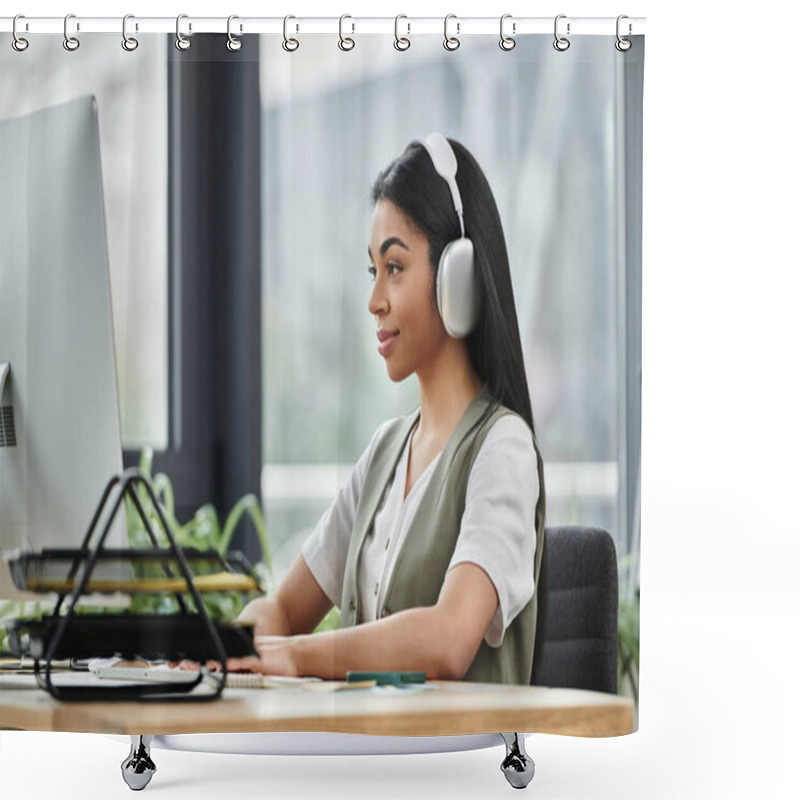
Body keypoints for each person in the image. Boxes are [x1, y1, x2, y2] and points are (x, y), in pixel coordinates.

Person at [214, 134, 544, 684]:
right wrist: (227, 646)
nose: (375, 301)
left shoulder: (502, 448)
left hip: (451, 768)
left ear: (455, 277)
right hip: (367, 764)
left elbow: (448, 640)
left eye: (395, 267)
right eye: (374, 271)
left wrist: (297, 655)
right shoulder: (387, 453)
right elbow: (284, 610)